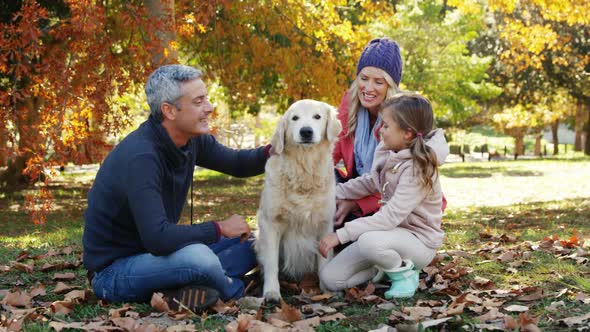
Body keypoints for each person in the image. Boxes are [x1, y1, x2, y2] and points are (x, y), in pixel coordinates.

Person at [82, 64, 271, 311]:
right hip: (114, 272)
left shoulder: (191, 140)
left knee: (258, 241)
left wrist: (275, 149)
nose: (210, 107)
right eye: (199, 101)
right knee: (199, 258)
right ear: (169, 110)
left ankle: (185, 290)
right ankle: (234, 288)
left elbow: (237, 163)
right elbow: (158, 238)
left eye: (207, 98)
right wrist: (219, 228)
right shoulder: (141, 157)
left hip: (161, 257)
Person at [319, 92, 449, 299]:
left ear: (407, 133)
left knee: (368, 240)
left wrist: (340, 235)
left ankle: (405, 274)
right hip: (387, 238)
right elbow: (371, 182)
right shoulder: (389, 150)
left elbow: (390, 217)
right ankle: (384, 266)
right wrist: (327, 194)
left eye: (386, 125)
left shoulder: (419, 168)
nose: (380, 130)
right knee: (331, 279)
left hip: (418, 242)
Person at [332, 37, 403, 227]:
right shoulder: (350, 102)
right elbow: (331, 149)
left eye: (378, 82)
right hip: (356, 185)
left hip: (389, 200)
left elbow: (394, 184)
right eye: (364, 79)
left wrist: (355, 203)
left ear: (390, 86)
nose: (368, 88)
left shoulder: (401, 116)